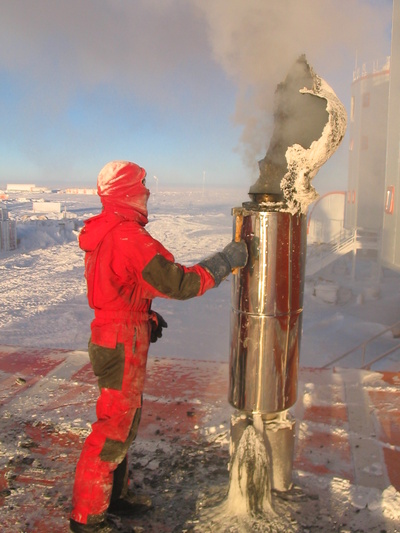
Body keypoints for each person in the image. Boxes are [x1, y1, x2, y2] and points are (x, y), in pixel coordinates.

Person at [69, 161, 248, 533]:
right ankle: (87, 516)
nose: (147, 192)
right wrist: (226, 261)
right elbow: (178, 283)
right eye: (142, 185)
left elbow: (121, 286)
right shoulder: (128, 237)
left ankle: (111, 496)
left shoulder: (105, 230)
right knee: (114, 427)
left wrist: (145, 318)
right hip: (120, 340)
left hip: (113, 331)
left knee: (123, 420)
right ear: (126, 192)